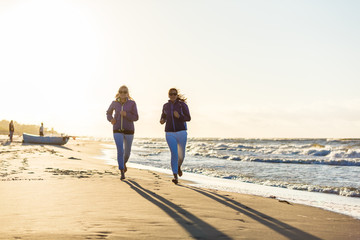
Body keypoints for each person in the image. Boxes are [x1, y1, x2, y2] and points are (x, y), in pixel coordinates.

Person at [106, 85, 139, 180]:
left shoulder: (132, 103)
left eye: (125, 92)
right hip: (117, 130)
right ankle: (121, 171)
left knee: (127, 153)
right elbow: (108, 113)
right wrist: (111, 119)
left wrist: (126, 114)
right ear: (118, 93)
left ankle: (123, 163)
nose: (123, 93)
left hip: (129, 131)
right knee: (120, 150)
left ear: (127, 93)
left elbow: (136, 117)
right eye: (121, 92)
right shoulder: (114, 103)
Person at [160, 88, 191, 184]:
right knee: (174, 154)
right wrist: (162, 120)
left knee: (181, 156)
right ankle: (175, 176)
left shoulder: (182, 105)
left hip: (181, 132)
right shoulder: (165, 106)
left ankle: (178, 167)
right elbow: (163, 117)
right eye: (171, 94)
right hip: (169, 133)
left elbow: (188, 118)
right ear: (168, 95)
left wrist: (180, 117)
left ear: (177, 95)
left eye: (174, 94)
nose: (173, 95)